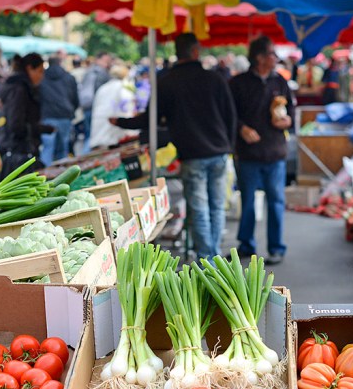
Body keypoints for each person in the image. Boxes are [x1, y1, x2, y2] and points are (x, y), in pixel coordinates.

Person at [114, 34, 237, 260]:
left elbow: (149, 119)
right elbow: (231, 116)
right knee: (216, 207)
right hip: (219, 151)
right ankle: (214, 256)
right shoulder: (215, 79)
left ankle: (207, 259)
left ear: (177, 51)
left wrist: (121, 121)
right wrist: (229, 145)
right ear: (195, 51)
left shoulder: (168, 81)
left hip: (192, 155)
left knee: (200, 209)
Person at [230, 36, 294, 265]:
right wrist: (242, 128)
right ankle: (246, 244)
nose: (276, 58)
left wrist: (286, 121)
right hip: (248, 153)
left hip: (275, 152)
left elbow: (292, 115)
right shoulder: (238, 83)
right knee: (247, 201)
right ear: (259, 57)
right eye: (272, 54)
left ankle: (276, 247)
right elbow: (229, 115)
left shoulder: (280, 83)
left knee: (276, 201)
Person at [0, 53, 54, 179]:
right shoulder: (19, 89)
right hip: (19, 150)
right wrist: (43, 129)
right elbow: (16, 125)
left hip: (20, 148)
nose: (41, 76)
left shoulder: (21, 86)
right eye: (40, 71)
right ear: (29, 68)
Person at [40, 55, 79, 164]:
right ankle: (62, 176)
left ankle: (44, 176)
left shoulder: (41, 77)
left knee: (48, 148)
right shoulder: (69, 77)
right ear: (60, 63)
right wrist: (71, 110)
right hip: (64, 115)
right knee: (63, 149)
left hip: (47, 116)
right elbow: (75, 98)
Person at [88, 64, 137, 149]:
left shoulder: (103, 88)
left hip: (102, 125)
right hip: (116, 127)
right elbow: (128, 107)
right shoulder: (124, 87)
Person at [78, 52, 112, 153]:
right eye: (106, 61)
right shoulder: (101, 73)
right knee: (92, 137)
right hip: (95, 108)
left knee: (88, 135)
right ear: (98, 60)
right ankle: (84, 160)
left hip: (86, 106)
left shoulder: (88, 71)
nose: (107, 63)